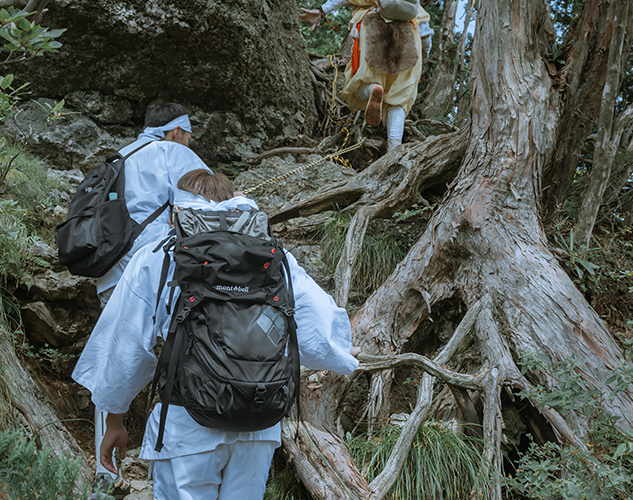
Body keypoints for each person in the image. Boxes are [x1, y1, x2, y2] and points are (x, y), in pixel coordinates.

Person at [72, 170, 361, 500]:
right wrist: (340, 353)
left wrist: (115, 421)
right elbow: (315, 322)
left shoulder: (162, 254)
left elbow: (125, 345)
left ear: (177, 211)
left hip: (187, 425)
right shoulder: (272, 256)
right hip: (257, 422)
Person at [91, 103, 210, 498]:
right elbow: (202, 210)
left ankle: (105, 470)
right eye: (189, 133)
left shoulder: (120, 156)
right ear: (177, 130)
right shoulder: (178, 154)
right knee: (179, 359)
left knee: (116, 354)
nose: (191, 140)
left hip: (112, 273)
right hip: (159, 274)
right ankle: (170, 459)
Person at [301, 0, 432, 150]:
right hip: (408, 39)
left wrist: (321, 10)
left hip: (373, 29)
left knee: (358, 86)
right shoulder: (413, 6)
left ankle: (372, 89)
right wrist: (424, 55)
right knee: (399, 101)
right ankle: (394, 148)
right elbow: (426, 36)